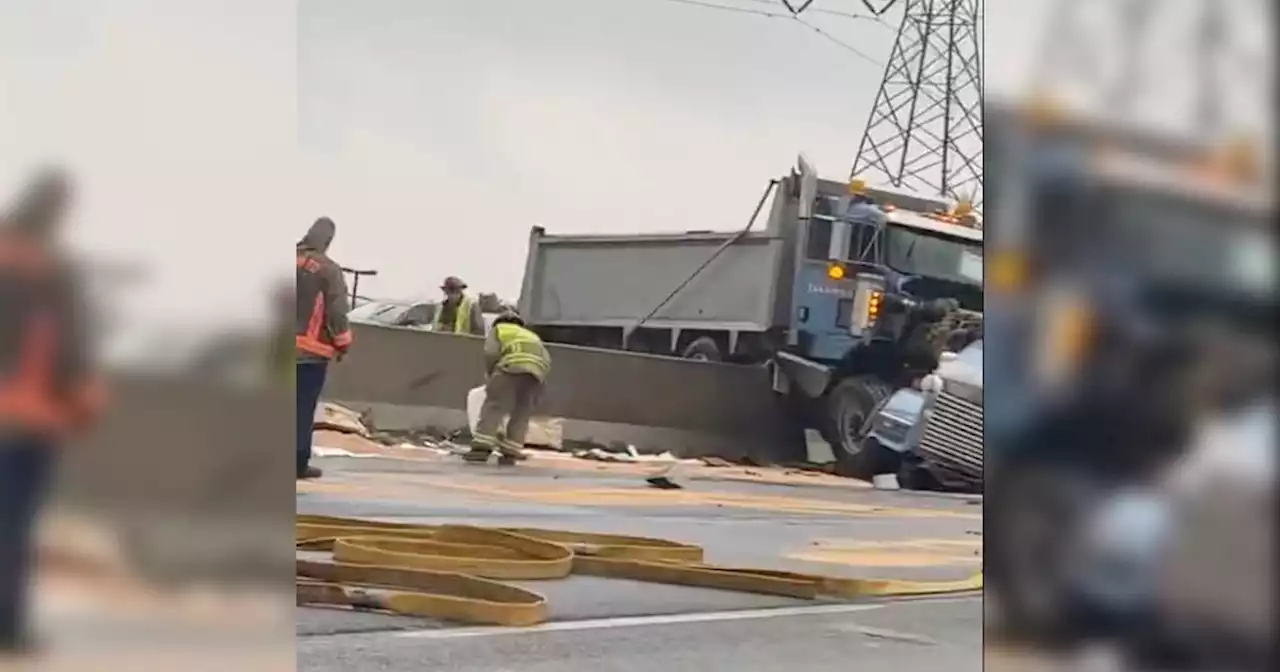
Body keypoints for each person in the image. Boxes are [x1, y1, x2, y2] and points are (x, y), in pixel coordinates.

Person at [0, 170, 104, 656]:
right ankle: (8, 626)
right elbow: (68, 348)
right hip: (30, 417)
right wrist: (83, 400)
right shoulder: (50, 270)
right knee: (14, 524)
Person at [295, 217, 352, 480]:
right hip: (309, 353)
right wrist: (343, 343)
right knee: (301, 408)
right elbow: (337, 312)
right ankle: (296, 462)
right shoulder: (328, 270)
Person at [465, 311, 551, 465]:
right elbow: (546, 358)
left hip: (510, 367)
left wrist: (492, 374)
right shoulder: (532, 336)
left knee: (494, 406)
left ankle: (481, 448)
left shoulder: (499, 330)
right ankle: (511, 451)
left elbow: (491, 352)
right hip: (536, 374)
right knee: (522, 411)